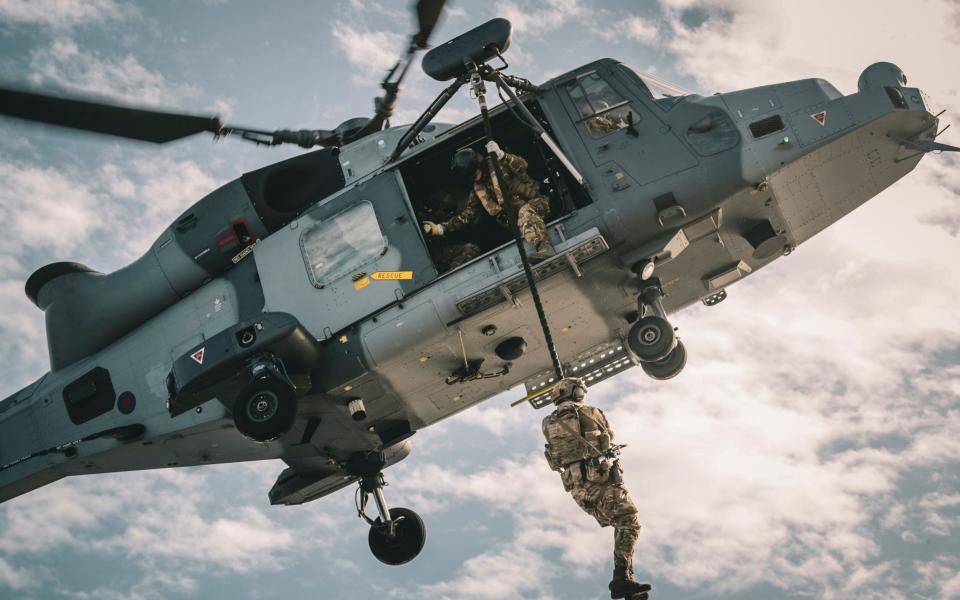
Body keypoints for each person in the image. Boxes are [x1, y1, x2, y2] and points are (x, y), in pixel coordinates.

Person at [542, 378, 651, 600]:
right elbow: (608, 437)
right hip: (598, 482)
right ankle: (622, 579)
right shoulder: (591, 412)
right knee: (629, 522)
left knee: (619, 524)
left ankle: (628, 585)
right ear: (577, 393)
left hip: (578, 490)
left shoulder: (547, 423)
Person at [421, 143, 556, 263]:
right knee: (520, 218)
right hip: (520, 224)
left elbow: (522, 165)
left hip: (539, 203)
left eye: (474, 172)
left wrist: (503, 155)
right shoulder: (478, 188)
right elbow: (468, 215)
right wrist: (441, 228)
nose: (474, 176)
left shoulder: (499, 164)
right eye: (471, 176)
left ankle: (545, 248)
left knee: (525, 211)